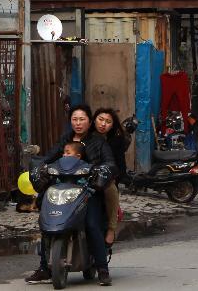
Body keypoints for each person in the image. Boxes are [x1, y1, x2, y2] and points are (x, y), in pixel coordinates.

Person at [26, 104, 116, 287]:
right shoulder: (65, 140)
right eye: (74, 119)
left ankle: (102, 269)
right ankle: (44, 267)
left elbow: (109, 162)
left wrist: (101, 171)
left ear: (89, 122)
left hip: (88, 192)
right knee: (46, 223)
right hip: (62, 189)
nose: (78, 123)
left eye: (82, 119)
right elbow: (48, 158)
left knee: (91, 224)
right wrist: (39, 168)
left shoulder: (98, 142)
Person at [92, 108, 127, 247]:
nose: (103, 124)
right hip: (84, 175)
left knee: (110, 190)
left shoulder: (116, 140)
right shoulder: (86, 136)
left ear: (112, 125)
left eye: (108, 121)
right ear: (94, 120)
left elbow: (120, 166)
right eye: (100, 119)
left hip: (105, 178)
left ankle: (111, 229)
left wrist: (112, 175)